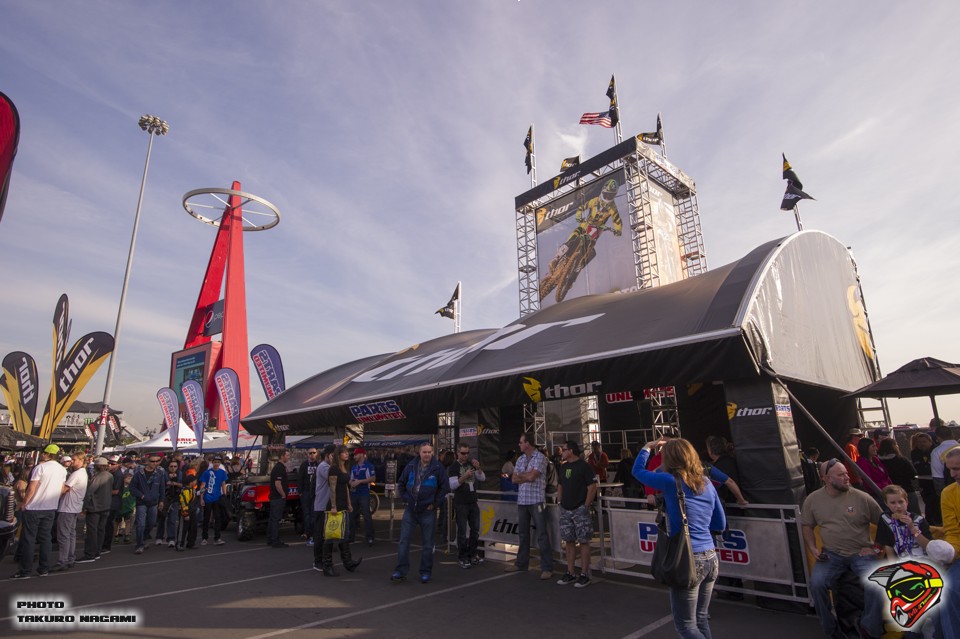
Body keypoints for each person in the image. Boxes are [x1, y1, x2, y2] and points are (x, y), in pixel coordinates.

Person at [633, 438, 725, 639]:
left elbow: (638, 472)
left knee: (686, 626)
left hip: (687, 559)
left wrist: (647, 448)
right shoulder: (707, 483)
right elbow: (720, 523)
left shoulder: (670, 482)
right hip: (710, 556)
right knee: (700, 619)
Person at [800, 457, 883, 639]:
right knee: (817, 584)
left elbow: (886, 524)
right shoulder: (813, 500)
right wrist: (813, 548)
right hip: (832, 555)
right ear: (826, 479)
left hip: (861, 553)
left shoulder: (862, 498)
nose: (847, 477)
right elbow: (806, 526)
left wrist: (876, 549)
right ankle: (830, 629)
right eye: (840, 475)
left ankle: (870, 629)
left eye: (846, 473)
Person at [390, 442, 448, 584]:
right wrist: (406, 499)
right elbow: (401, 483)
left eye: (429, 452)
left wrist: (435, 504)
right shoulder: (411, 465)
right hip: (411, 510)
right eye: (424, 452)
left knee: (428, 544)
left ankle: (425, 572)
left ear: (432, 453)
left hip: (427, 511)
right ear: (419, 453)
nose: (427, 454)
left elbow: (444, 487)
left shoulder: (437, 467)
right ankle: (400, 571)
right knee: (404, 541)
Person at [11, 443, 67, 579]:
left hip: (34, 508)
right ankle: (44, 568)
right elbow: (62, 489)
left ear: (48, 454)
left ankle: (25, 570)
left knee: (29, 539)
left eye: (44, 452)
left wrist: (24, 503)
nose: (42, 454)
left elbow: (32, 488)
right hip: (50, 508)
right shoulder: (62, 470)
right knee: (45, 538)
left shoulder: (40, 468)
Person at [506, 432, 554, 579]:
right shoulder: (521, 459)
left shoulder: (540, 457)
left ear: (527, 443)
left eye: (521, 442)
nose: (519, 444)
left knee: (542, 534)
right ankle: (521, 564)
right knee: (523, 534)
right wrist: (526, 476)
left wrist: (524, 476)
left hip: (536, 500)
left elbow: (532, 477)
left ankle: (547, 567)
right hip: (522, 501)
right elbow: (514, 479)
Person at [555, 440, 597, 588]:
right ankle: (570, 572)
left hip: (580, 508)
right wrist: (560, 501)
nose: (562, 452)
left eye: (564, 449)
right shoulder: (564, 467)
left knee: (584, 541)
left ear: (571, 451)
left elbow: (592, 486)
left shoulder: (584, 466)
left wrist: (585, 505)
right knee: (569, 541)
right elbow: (560, 484)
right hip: (565, 509)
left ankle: (584, 574)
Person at [319, 445, 361, 577]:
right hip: (335, 506)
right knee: (331, 536)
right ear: (339, 455)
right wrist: (333, 506)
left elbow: (346, 487)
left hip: (343, 506)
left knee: (345, 535)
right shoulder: (334, 469)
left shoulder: (345, 468)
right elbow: (332, 488)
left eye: (347, 452)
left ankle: (348, 562)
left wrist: (349, 503)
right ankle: (327, 566)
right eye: (344, 452)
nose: (347, 454)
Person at [447, 444, 486, 569]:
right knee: (462, 531)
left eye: (467, 453)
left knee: (475, 530)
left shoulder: (470, 464)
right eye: (463, 453)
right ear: (457, 453)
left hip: (472, 501)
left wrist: (478, 468)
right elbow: (452, 485)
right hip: (461, 502)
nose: (465, 456)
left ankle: (472, 554)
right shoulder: (454, 467)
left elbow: (482, 478)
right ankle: (462, 556)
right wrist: (464, 476)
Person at [937, 445, 960, 637]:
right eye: (950, 469)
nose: (953, 474)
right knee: (946, 590)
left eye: (957, 468)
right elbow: (952, 531)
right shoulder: (948, 493)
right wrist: (950, 552)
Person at [53, 452, 87, 571]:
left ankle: (63, 560)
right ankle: (70, 558)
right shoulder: (82, 473)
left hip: (68, 507)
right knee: (71, 534)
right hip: (74, 507)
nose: (72, 461)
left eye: (74, 459)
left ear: (81, 461)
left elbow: (64, 489)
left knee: (64, 535)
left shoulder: (76, 474)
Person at [77, 457, 113, 564]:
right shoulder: (110, 476)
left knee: (92, 531)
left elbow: (89, 492)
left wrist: (84, 507)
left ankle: (90, 554)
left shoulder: (98, 477)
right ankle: (97, 551)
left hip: (95, 507)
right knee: (100, 530)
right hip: (106, 506)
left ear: (98, 466)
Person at [130, 454, 167, 554]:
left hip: (154, 502)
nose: (155, 463)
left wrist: (162, 500)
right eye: (152, 461)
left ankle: (145, 536)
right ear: (147, 461)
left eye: (157, 461)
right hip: (141, 502)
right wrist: (141, 495)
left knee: (151, 522)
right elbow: (132, 487)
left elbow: (162, 488)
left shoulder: (160, 473)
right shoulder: (139, 473)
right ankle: (139, 544)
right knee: (141, 524)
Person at [877, 439, 922, 516]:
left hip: (888, 492)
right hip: (906, 490)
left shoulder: (877, 462)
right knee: (914, 515)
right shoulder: (901, 460)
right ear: (894, 447)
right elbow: (913, 474)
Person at [312, 444, 336, 572]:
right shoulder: (323, 467)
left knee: (327, 534)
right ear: (327, 455)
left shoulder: (329, 466)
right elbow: (334, 478)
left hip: (327, 506)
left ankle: (325, 560)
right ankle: (318, 561)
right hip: (321, 506)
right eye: (333, 455)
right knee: (320, 535)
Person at [349, 446, 376, 547]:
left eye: (356, 454)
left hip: (364, 493)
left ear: (361, 454)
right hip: (354, 494)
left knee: (367, 516)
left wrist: (360, 481)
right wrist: (351, 483)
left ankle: (370, 538)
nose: (354, 456)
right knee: (351, 515)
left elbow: (372, 478)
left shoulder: (369, 466)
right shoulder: (354, 467)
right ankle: (351, 537)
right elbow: (351, 479)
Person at [198, 456, 228, 547]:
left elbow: (223, 484)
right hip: (208, 497)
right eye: (215, 462)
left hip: (217, 498)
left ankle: (217, 538)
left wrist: (225, 495)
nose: (216, 464)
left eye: (218, 462)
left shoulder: (222, 472)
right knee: (206, 518)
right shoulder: (207, 473)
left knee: (218, 518)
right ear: (212, 463)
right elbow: (202, 485)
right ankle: (204, 538)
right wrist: (201, 498)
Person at [911, 431, 938, 524]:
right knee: (928, 502)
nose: (922, 444)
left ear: (930, 442)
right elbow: (919, 468)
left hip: (936, 482)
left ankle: (934, 521)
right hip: (924, 483)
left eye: (924, 441)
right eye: (919, 442)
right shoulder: (915, 453)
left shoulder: (935, 451)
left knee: (936, 503)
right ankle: (930, 522)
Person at [267, 450, 290, 548]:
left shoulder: (280, 467)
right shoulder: (279, 468)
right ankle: (275, 540)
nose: (288, 457)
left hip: (275, 497)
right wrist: (283, 494)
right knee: (276, 519)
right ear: (282, 456)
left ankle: (270, 539)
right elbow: (277, 484)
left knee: (273, 519)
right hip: (277, 497)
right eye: (287, 455)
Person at [101, 456, 124, 554]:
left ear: (118, 464)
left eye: (113, 464)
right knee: (105, 524)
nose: (110, 465)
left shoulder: (118, 475)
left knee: (108, 524)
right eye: (109, 463)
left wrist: (102, 491)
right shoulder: (111, 473)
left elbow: (116, 491)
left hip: (113, 503)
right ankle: (104, 544)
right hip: (108, 501)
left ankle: (106, 546)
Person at [158, 458, 183, 547]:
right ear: (168, 467)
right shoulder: (163, 474)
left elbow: (183, 485)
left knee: (172, 519)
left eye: (175, 466)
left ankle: (171, 538)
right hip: (165, 498)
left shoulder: (180, 474)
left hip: (175, 499)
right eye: (171, 466)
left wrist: (174, 483)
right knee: (162, 518)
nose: (173, 468)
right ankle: (159, 537)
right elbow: (161, 485)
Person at [297, 448, 320, 545]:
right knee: (306, 513)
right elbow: (300, 478)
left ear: (317, 454)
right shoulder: (304, 465)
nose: (312, 454)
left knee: (314, 513)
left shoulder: (319, 465)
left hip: (315, 492)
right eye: (310, 453)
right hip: (306, 492)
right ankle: (307, 532)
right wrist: (300, 491)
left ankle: (313, 533)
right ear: (307, 454)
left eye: (314, 453)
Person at [930, 424, 958, 494]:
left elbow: (938, 476)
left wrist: (941, 494)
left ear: (938, 437)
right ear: (952, 434)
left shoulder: (937, 452)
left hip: (951, 490)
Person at [177, 471, 200, 550]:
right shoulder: (185, 491)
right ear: (190, 482)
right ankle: (180, 544)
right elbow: (183, 502)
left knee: (193, 528)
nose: (196, 482)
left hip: (192, 511)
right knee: (183, 528)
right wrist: (185, 514)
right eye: (195, 481)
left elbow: (194, 496)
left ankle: (191, 543)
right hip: (186, 512)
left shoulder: (192, 489)